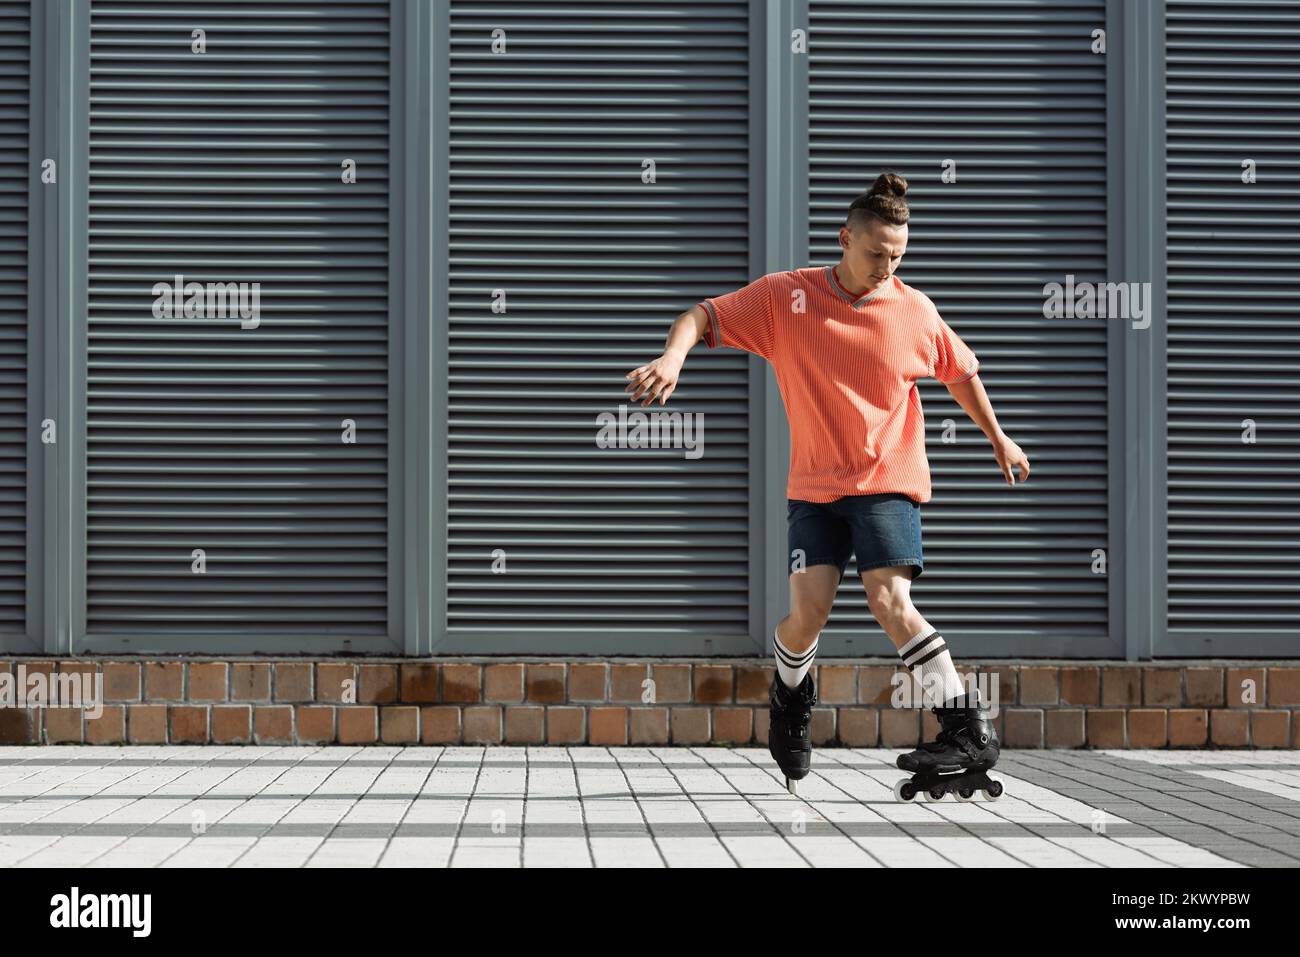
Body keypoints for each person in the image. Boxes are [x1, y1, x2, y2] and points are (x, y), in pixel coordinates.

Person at [624, 171, 1029, 790]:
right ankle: (790, 704)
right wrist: (673, 357)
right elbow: (702, 315)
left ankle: (966, 726)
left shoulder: (914, 309)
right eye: (875, 254)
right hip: (814, 485)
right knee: (805, 616)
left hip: (886, 475)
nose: (886, 268)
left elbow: (960, 371)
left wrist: (998, 437)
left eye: (897, 256)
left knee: (888, 600)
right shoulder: (788, 298)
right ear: (844, 239)